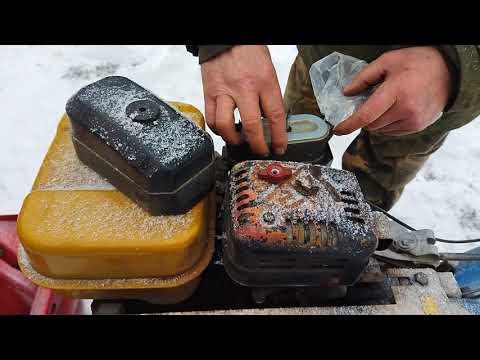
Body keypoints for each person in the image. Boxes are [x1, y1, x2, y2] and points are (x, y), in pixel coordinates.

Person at [186, 45, 480, 211]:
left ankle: (360, 214)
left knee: (368, 198)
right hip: (321, 65)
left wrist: (459, 66)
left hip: (427, 101)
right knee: (289, 145)